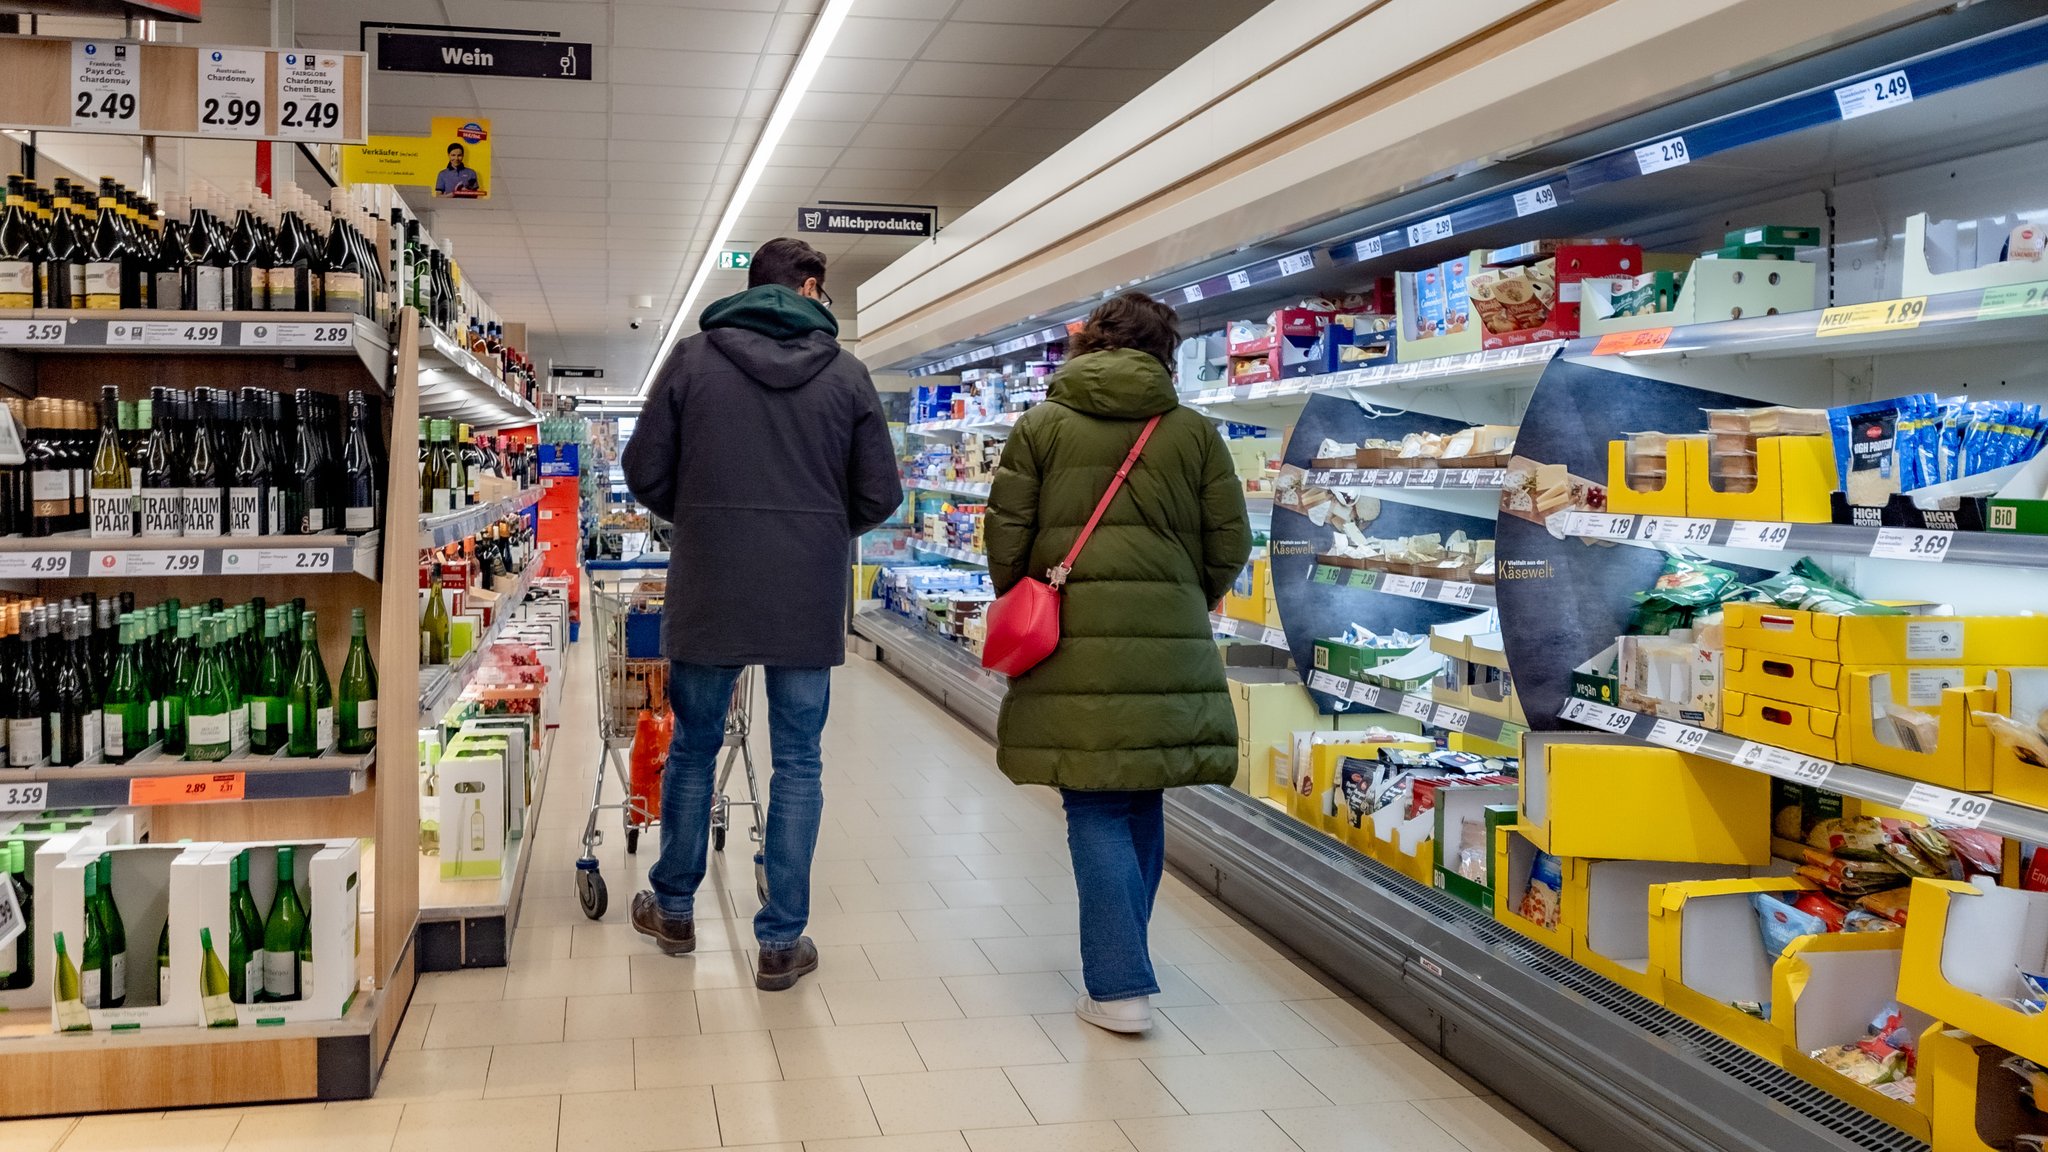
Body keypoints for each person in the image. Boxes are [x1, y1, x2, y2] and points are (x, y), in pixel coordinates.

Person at [623, 237, 903, 991]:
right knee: (799, 761)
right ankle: (781, 941)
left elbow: (642, 467)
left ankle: (674, 907)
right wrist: (815, 524)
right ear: (810, 287)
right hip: (805, 594)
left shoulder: (692, 359)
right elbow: (881, 494)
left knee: (693, 748)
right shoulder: (846, 375)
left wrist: (703, 516)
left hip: (711, 583)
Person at [984, 291, 1252, 1033]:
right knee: (1141, 793)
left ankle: (1116, 987)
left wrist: (1030, 593)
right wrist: (1177, 596)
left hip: (1067, 633)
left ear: (1089, 345)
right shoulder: (1192, 432)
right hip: (1169, 635)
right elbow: (1230, 543)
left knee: (1094, 799)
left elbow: (1007, 540)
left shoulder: (1038, 427)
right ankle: (1123, 964)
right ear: (1165, 351)